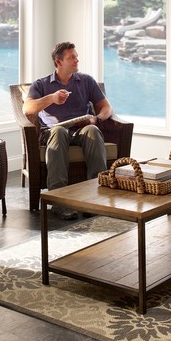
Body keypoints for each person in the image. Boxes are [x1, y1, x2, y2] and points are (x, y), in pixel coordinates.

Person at [23, 42, 113, 219]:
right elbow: (28, 109)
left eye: (76, 56)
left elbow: (107, 108)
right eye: (72, 57)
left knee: (92, 130)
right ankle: (58, 202)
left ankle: (95, 198)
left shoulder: (86, 81)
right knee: (59, 131)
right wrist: (51, 98)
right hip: (53, 132)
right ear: (59, 62)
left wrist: (96, 119)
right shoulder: (41, 84)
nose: (77, 59)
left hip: (80, 130)